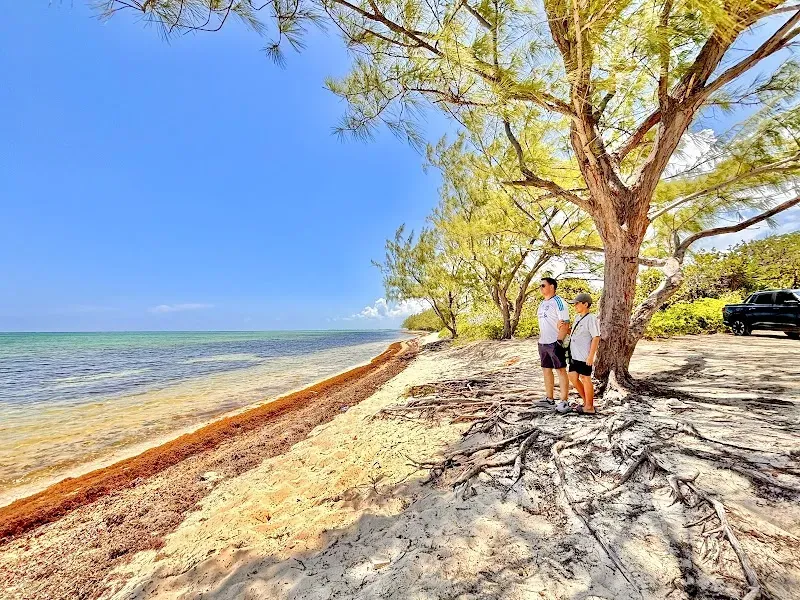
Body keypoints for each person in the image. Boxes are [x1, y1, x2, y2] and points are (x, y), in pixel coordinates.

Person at [535, 277, 570, 409]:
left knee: (560, 370)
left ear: (552, 287)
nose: (540, 288)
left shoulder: (558, 302)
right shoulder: (542, 304)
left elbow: (565, 324)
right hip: (543, 342)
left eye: (543, 285)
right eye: (540, 286)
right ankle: (549, 399)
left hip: (555, 342)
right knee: (546, 369)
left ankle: (564, 401)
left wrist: (559, 342)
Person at [566, 292, 601, 415]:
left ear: (585, 304)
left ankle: (589, 407)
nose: (575, 306)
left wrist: (591, 356)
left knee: (585, 378)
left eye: (577, 303)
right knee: (572, 377)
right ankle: (586, 402)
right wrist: (564, 329)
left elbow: (596, 337)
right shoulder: (577, 317)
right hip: (574, 354)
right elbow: (574, 333)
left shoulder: (591, 318)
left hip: (584, 355)